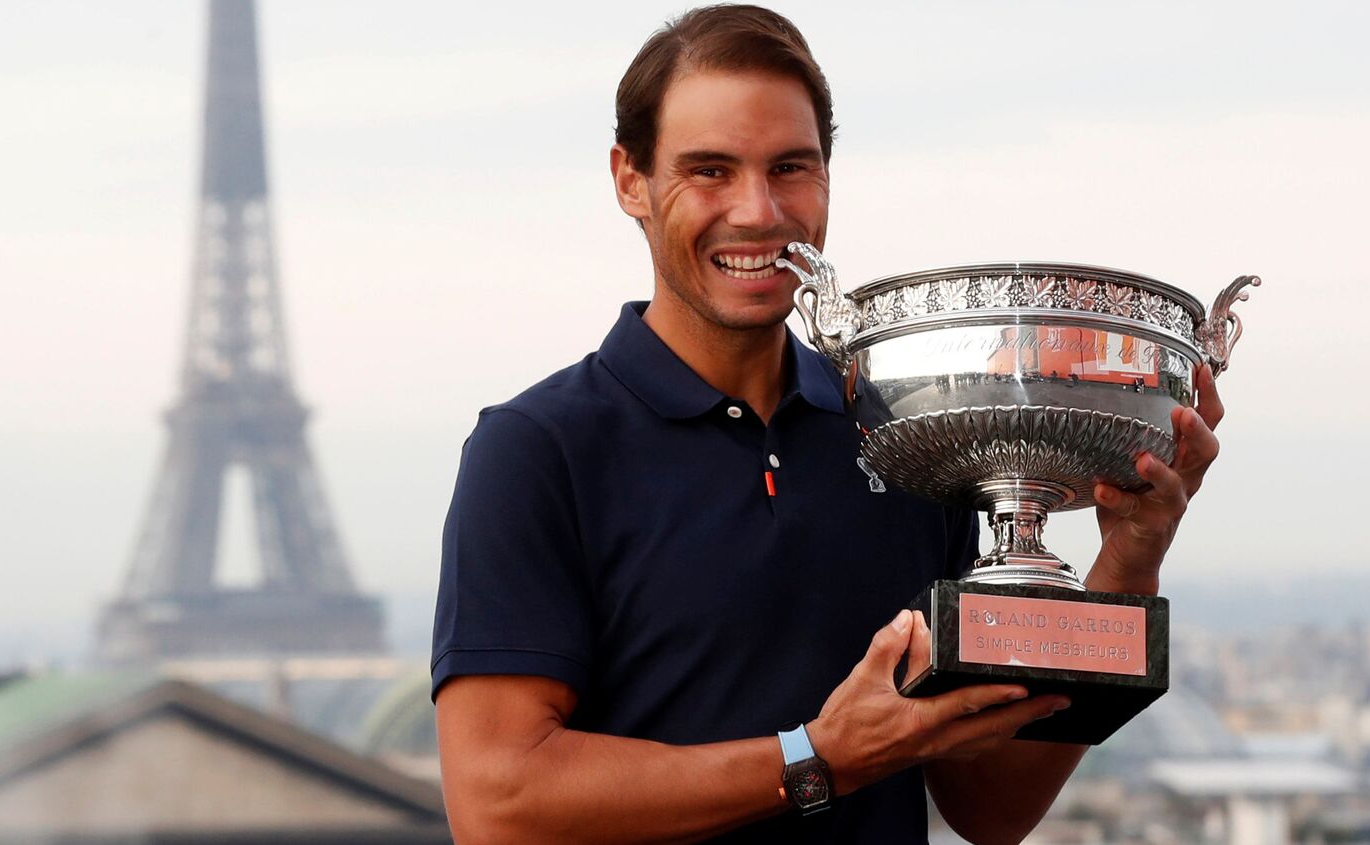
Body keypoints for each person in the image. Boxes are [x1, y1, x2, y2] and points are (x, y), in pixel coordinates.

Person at [430, 5, 1225, 844]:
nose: (757, 211)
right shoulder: (536, 452)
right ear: (631, 179)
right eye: (709, 170)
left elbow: (989, 806)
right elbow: (497, 804)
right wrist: (817, 758)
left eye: (790, 167)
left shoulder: (908, 434)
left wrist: (1128, 559)